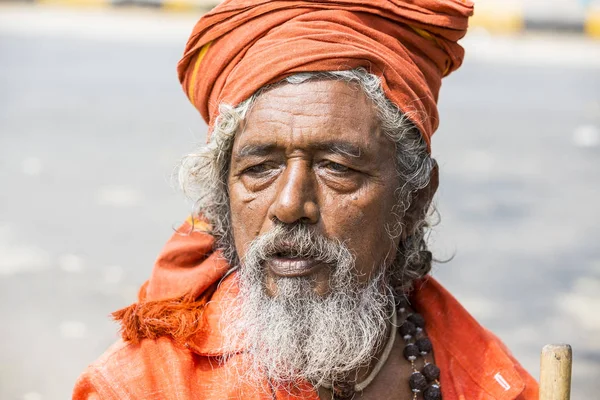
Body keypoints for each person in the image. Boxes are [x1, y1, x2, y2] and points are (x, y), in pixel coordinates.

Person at [73, 1, 539, 399]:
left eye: (337, 168)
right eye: (259, 169)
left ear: (414, 199)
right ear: (223, 197)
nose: (290, 205)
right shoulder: (140, 387)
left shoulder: (493, 382)